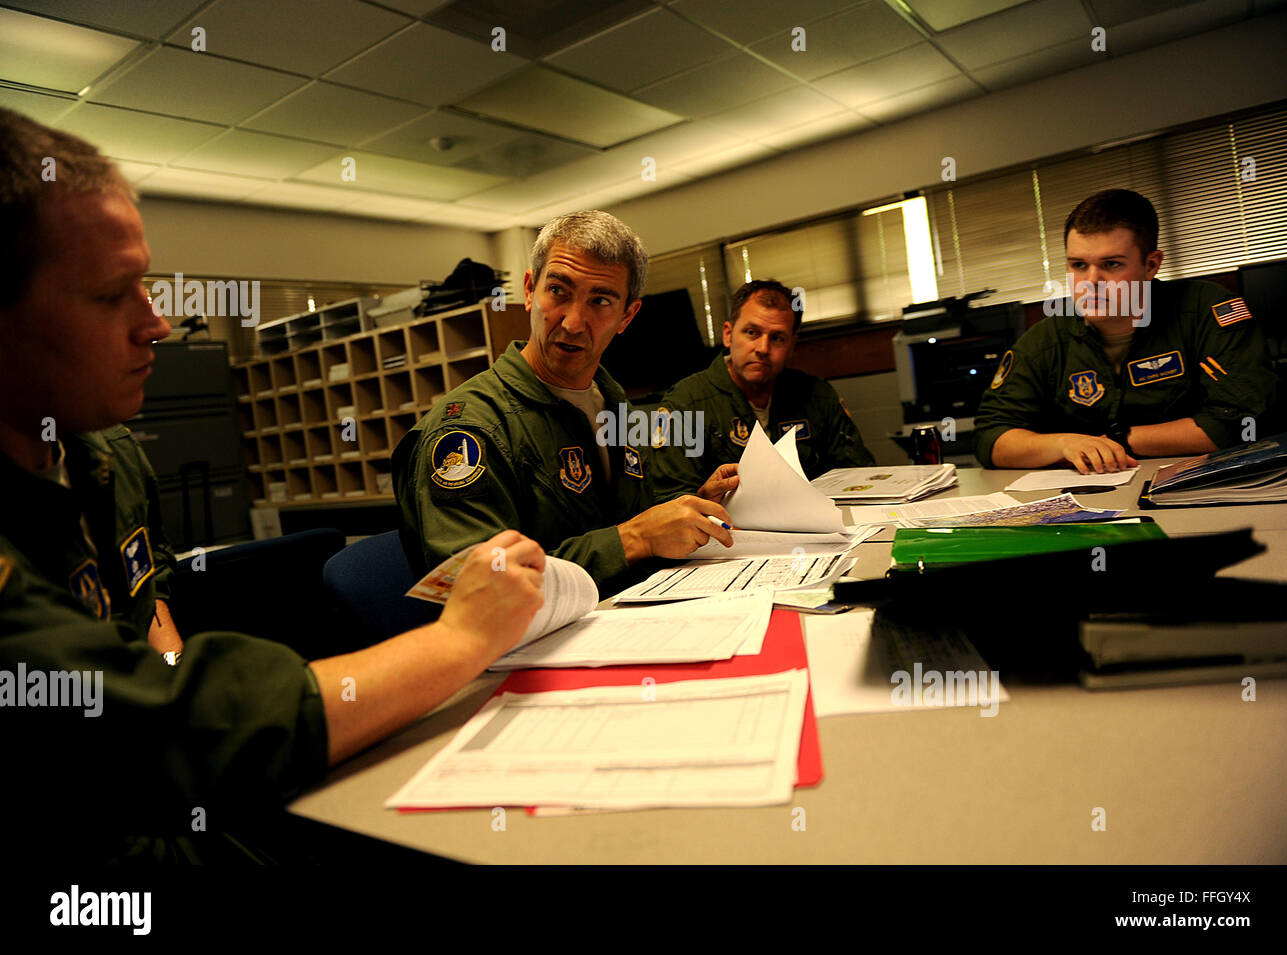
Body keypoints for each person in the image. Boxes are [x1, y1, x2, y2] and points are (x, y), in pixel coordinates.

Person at [0, 107, 546, 862]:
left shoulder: (106, 453)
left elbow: (148, 602)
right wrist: (461, 637)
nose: (156, 324)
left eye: (145, 285)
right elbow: (153, 719)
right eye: (108, 295)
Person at [393, 210, 739, 593]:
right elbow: (478, 586)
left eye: (601, 301)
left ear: (627, 316)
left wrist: (690, 507)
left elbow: (615, 516)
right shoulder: (468, 429)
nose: (573, 322)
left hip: (626, 615)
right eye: (558, 291)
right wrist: (635, 538)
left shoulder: (610, 401)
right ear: (529, 290)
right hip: (532, 647)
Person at [974, 189, 1277, 473]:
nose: (1091, 281)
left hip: (1208, 484)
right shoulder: (1045, 340)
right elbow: (991, 437)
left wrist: (1118, 440)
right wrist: (1066, 444)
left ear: (1151, 265)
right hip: (1091, 499)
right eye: (1078, 265)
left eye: (1112, 264)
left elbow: (1243, 420)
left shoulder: (1205, 312)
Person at [647, 279, 874, 502]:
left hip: (816, 528)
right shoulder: (685, 403)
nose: (763, 349)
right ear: (728, 334)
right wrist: (704, 498)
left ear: (792, 345)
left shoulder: (818, 395)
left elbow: (859, 474)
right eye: (752, 333)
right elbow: (668, 501)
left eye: (777, 338)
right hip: (725, 533)